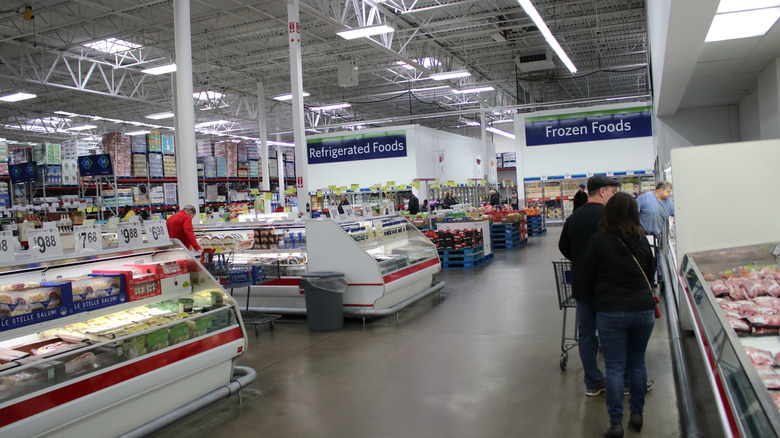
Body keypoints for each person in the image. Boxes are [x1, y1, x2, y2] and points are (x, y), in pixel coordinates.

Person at [582, 192, 657, 438]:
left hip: (611, 310)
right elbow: (650, 271)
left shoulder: (598, 240)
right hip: (642, 310)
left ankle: (616, 424)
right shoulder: (642, 241)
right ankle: (637, 414)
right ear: (635, 214)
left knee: (614, 368)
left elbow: (588, 275)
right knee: (637, 362)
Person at [558, 175, 619, 397]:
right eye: (612, 191)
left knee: (586, 334)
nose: (613, 196)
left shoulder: (575, 217)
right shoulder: (610, 217)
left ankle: (592, 382)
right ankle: (618, 381)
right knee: (611, 332)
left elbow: (563, 246)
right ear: (602, 191)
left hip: (582, 284)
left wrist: (579, 258)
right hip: (607, 285)